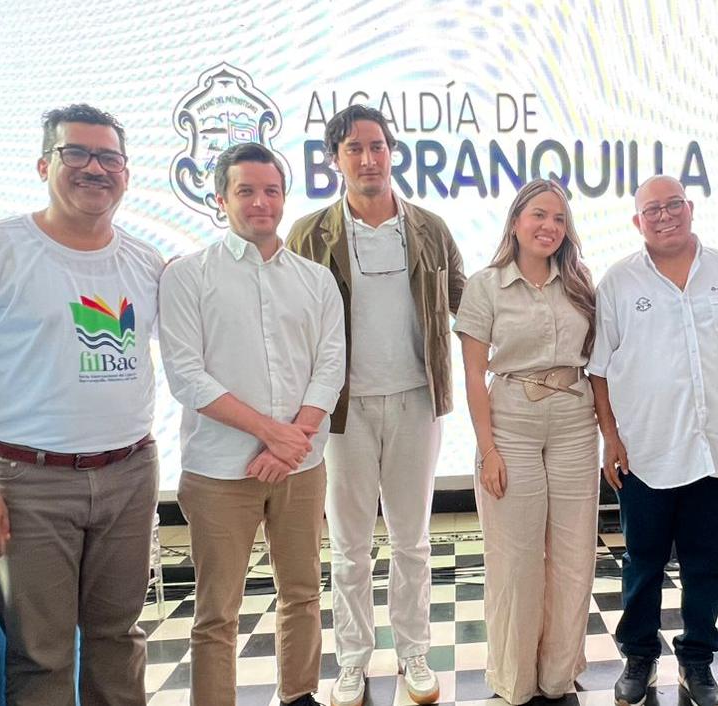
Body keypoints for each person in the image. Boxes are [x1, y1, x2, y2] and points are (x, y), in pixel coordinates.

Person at [0, 104, 163, 705]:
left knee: (118, 638)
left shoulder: (146, 263)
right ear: (43, 164)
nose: (94, 169)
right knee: (42, 654)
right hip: (28, 482)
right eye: (75, 153)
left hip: (130, 472)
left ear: (126, 174)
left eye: (109, 157)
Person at [286, 104, 465, 706]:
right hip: (342, 411)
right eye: (354, 148)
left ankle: (415, 651)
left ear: (392, 153)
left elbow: (469, 302)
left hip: (417, 399)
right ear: (335, 159)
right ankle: (353, 661)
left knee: (413, 539)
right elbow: (289, 318)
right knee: (349, 545)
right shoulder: (309, 233)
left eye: (378, 146)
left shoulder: (430, 228)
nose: (369, 158)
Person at [159, 143, 345, 706]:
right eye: (246, 191)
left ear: (284, 198)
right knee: (217, 610)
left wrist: (294, 441)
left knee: (302, 593)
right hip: (219, 469)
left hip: (301, 467)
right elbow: (187, 377)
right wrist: (273, 432)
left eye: (271, 190)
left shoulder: (315, 280)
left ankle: (299, 695)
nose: (260, 202)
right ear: (220, 199)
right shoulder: (188, 276)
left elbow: (330, 364)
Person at [590, 175, 718, 706]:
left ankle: (697, 660)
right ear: (637, 221)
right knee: (643, 562)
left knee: (706, 564)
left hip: (717, 449)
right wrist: (611, 438)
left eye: (674, 205)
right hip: (647, 451)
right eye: (653, 209)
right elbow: (598, 369)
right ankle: (639, 656)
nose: (665, 215)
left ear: (690, 208)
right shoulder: (619, 282)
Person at [454, 179, 600, 703]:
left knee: (574, 554)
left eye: (559, 219)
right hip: (511, 423)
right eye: (539, 215)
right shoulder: (486, 284)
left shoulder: (580, 281)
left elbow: (599, 361)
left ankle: (558, 675)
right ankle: (514, 679)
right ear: (516, 221)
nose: (549, 227)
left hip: (575, 423)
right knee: (516, 560)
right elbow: (473, 376)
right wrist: (488, 450)